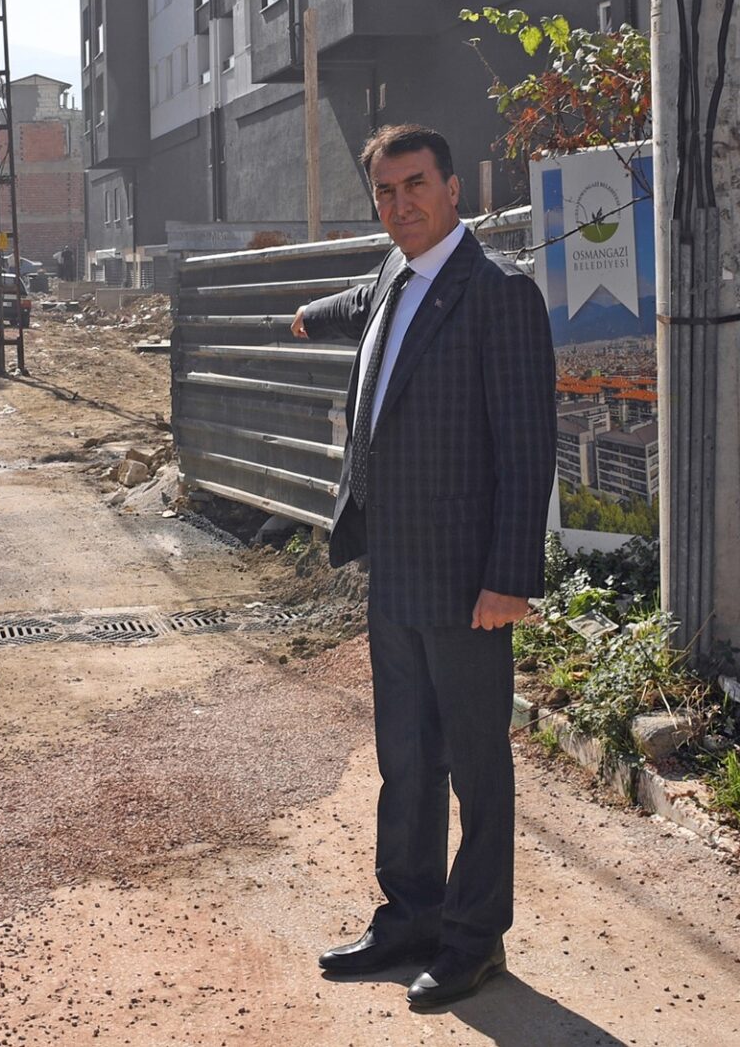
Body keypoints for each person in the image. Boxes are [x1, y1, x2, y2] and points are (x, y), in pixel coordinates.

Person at [289, 122, 556, 1011]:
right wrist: (306, 313)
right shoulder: (390, 278)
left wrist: (509, 576)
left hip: (467, 576)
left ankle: (474, 939)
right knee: (405, 754)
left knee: (475, 761)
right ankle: (409, 915)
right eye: (385, 191)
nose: (400, 203)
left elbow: (527, 448)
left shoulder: (498, 293)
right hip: (394, 564)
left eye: (414, 185)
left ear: (452, 189)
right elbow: (355, 306)